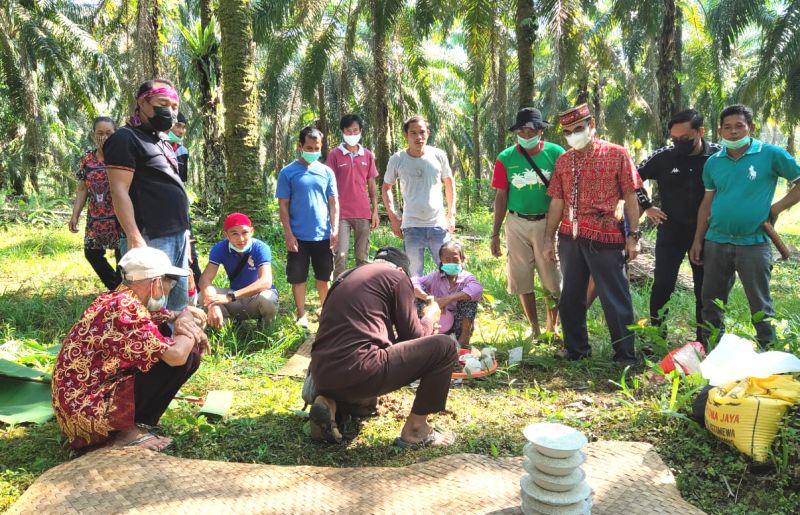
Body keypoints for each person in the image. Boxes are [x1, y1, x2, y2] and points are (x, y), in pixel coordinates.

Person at [52, 247, 209, 451]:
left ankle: (130, 425)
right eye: (169, 280)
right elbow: (176, 356)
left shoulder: (119, 299)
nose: (170, 287)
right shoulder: (125, 307)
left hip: (77, 403)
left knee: (184, 351)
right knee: (185, 357)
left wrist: (184, 317)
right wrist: (188, 330)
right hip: (86, 409)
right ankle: (125, 433)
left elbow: (172, 315)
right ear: (155, 282)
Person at [309, 247, 457, 447]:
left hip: (321, 374)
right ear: (402, 269)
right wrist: (430, 317)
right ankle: (416, 430)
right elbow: (414, 336)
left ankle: (331, 403)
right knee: (445, 347)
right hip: (360, 369)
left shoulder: (345, 277)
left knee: (365, 401)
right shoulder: (397, 277)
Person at [690, 104, 800, 348]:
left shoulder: (771, 154)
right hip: (716, 241)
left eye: (739, 126)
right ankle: (712, 351)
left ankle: (767, 351)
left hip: (754, 243)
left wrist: (776, 208)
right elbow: (706, 204)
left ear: (751, 127)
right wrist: (698, 240)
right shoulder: (713, 163)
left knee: (760, 303)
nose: (733, 132)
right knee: (711, 301)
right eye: (727, 128)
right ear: (720, 131)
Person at [543, 104, 643, 365]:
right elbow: (556, 202)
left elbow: (632, 196)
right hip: (570, 238)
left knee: (615, 297)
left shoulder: (617, 154)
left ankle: (625, 355)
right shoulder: (564, 161)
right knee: (571, 296)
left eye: (578, 129)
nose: (573, 135)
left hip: (606, 236)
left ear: (592, 125)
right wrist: (548, 240)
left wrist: (633, 237)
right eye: (567, 131)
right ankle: (576, 349)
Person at [105, 79, 191, 312]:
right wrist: (134, 237)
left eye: (174, 106)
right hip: (150, 235)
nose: (170, 111)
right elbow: (118, 189)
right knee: (151, 305)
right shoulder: (125, 138)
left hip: (177, 234)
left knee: (177, 304)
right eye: (163, 103)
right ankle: (150, 348)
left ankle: (177, 347)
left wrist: (187, 237)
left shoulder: (162, 140)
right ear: (142, 102)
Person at [636, 109, 721, 342]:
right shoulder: (664, 156)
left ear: (700, 132)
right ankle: (657, 338)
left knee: (704, 289)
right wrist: (647, 205)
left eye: (685, 139)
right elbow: (631, 176)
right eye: (674, 139)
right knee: (662, 285)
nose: (679, 144)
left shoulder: (718, 156)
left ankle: (704, 341)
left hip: (707, 232)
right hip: (671, 230)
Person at [490, 107, 564, 337]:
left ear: (541, 131)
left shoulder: (556, 153)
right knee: (522, 278)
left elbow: (563, 193)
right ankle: (534, 328)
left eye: (531, 130)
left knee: (551, 280)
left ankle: (554, 327)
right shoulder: (506, 157)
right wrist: (494, 233)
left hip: (547, 223)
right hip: (516, 222)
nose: (526, 135)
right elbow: (501, 196)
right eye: (521, 131)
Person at [277, 125, 339, 328]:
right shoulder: (288, 172)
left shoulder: (326, 172)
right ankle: (301, 314)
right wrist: (288, 233)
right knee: (298, 277)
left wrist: (334, 229)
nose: (313, 151)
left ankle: (328, 314)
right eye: (309, 147)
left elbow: (333, 202)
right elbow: (283, 205)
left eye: (316, 148)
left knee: (324, 277)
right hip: (298, 237)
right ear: (300, 146)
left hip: (322, 235)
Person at [382, 115, 456, 277]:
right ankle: (416, 302)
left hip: (438, 225)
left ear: (428, 133)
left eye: (422, 132)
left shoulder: (438, 155)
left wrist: (451, 214)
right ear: (406, 136)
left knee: (449, 269)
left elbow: (449, 182)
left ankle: (448, 302)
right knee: (414, 274)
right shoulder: (398, 159)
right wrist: (394, 217)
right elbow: (386, 187)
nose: (418, 137)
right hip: (412, 226)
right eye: (413, 133)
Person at [199, 212, 279, 329]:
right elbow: (205, 279)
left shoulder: (260, 248)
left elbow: (266, 281)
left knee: (268, 298)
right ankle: (229, 326)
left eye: (245, 232)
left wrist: (231, 296)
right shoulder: (220, 248)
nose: (241, 239)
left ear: (252, 231)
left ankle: (266, 329)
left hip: (256, 297)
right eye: (234, 233)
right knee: (202, 296)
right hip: (235, 298)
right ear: (226, 235)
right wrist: (213, 304)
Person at [69, 116, 122, 291]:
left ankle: (125, 296)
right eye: (100, 133)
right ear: (93, 135)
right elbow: (82, 189)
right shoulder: (86, 159)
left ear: (116, 134)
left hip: (120, 219)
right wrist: (75, 215)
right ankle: (116, 288)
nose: (104, 137)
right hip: (96, 219)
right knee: (92, 254)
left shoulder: (122, 157)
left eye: (109, 133)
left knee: (123, 258)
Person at [325, 114, 380, 279]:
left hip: (363, 213)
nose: (352, 134)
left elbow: (372, 185)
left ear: (360, 131)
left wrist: (375, 211)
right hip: (341, 215)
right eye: (348, 131)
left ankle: (361, 292)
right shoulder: (334, 155)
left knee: (362, 257)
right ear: (342, 132)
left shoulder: (368, 155)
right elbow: (328, 185)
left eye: (355, 130)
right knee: (340, 255)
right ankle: (338, 292)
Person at [412, 241, 483, 348]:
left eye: (455, 259)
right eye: (447, 260)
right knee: (418, 296)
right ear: (441, 261)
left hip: (457, 324)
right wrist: (429, 298)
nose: (451, 263)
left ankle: (464, 337)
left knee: (469, 299)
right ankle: (422, 332)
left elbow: (477, 289)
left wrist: (448, 299)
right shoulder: (435, 277)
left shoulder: (467, 278)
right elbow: (413, 282)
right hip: (435, 322)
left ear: (462, 259)